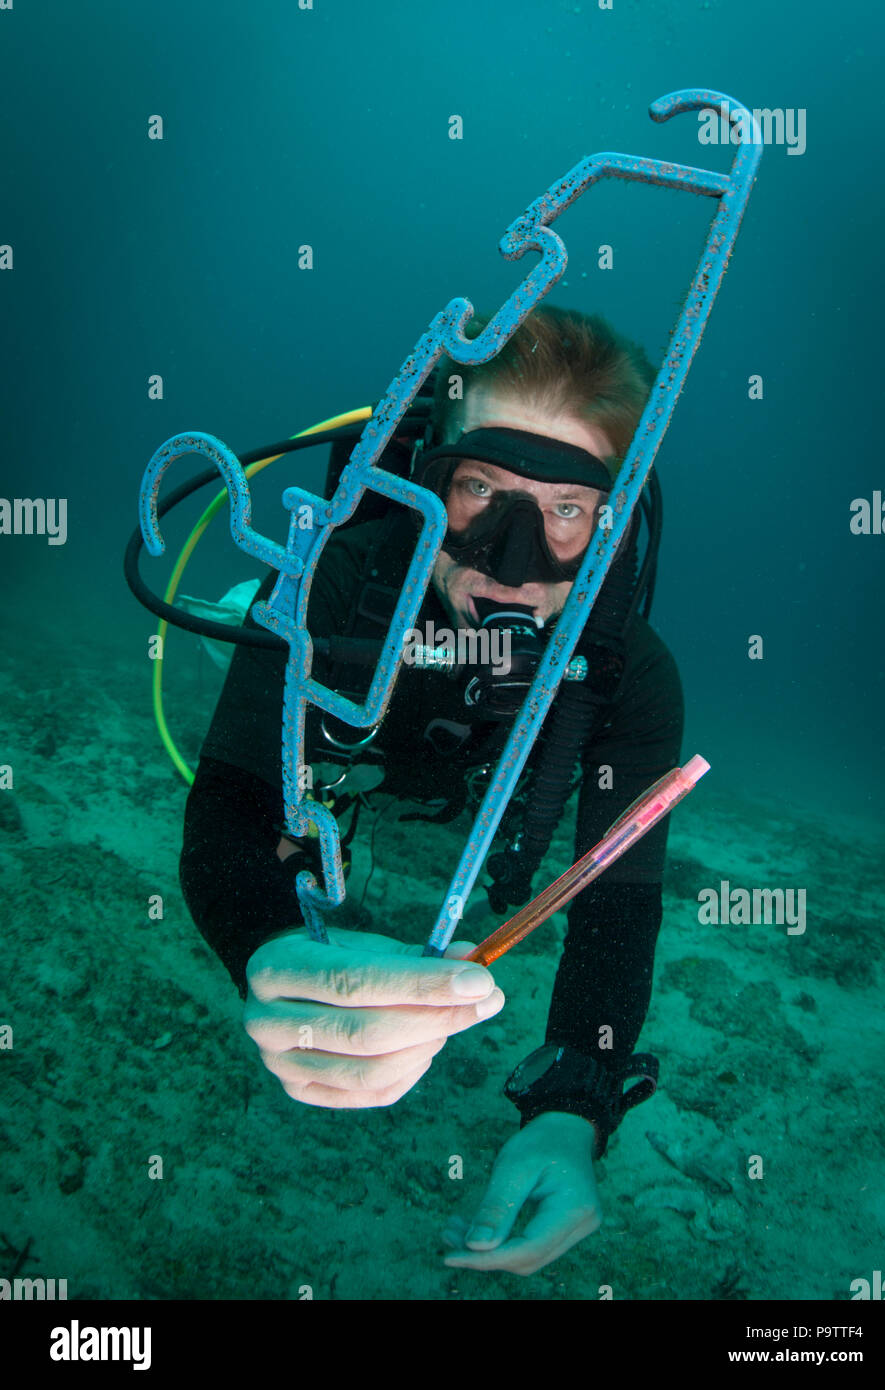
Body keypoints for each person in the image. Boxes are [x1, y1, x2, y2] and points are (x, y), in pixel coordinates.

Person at [179, 304, 684, 1275]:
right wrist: (270, 940)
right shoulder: (331, 580)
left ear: (611, 523)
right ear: (428, 478)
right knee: (257, 651)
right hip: (360, 724)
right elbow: (229, 815)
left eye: (565, 510)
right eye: (481, 489)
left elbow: (615, 897)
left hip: (474, 764)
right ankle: (234, 625)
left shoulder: (629, 673)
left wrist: (575, 1107)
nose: (509, 560)